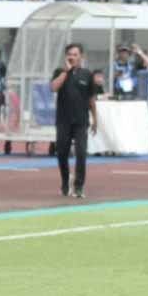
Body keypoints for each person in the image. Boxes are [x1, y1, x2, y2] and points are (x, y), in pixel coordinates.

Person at [51, 44, 99, 199]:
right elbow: (53, 88)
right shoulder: (60, 72)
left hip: (81, 121)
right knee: (62, 153)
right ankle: (65, 180)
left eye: (75, 54)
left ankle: (79, 186)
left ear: (81, 57)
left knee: (81, 152)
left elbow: (91, 98)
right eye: (70, 54)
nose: (72, 57)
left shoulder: (87, 75)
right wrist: (66, 72)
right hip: (63, 120)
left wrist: (95, 118)